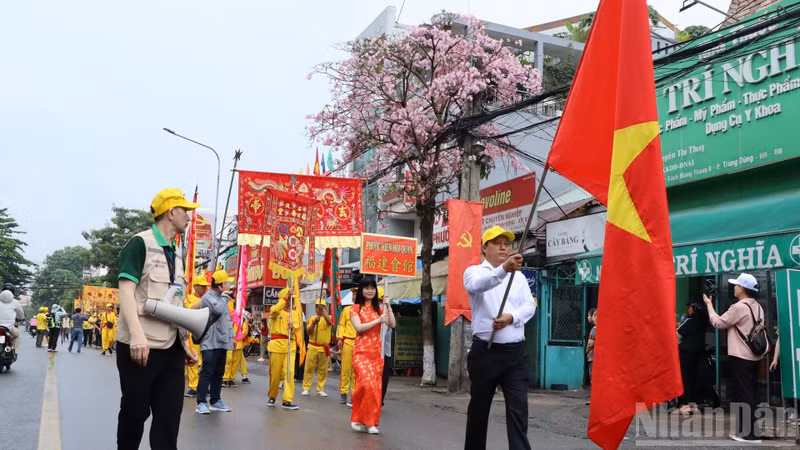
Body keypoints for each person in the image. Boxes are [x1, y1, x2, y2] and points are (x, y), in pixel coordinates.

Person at [115, 188, 200, 450]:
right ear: (171, 212)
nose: (189, 216)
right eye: (185, 211)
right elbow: (126, 291)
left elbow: (173, 303)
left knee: (168, 420)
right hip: (140, 347)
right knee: (135, 414)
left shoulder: (177, 254)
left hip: (172, 350)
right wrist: (137, 335)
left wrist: (184, 345)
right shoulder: (140, 243)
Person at [463, 226, 538, 450]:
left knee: (518, 411)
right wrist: (504, 269)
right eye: (497, 243)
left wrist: (511, 317)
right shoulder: (474, 272)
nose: (504, 247)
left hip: (515, 354)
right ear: (484, 247)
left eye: (506, 243)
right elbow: (478, 286)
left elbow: (530, 305)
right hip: (485, 352)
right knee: (479, 409)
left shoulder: (520, 278)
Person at [704, 273, 765, 444]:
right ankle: (751, 432)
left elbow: (718, 322)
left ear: (743, 289)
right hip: (755, 357)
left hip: (741, 357)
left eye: (737, 285)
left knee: (743, 395)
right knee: (750, 394)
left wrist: (709, 305)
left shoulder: (739, 307)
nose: (734, 287)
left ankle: (748, 435)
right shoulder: (758, 307)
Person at [350, 276, 396, 435]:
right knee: (365, 384)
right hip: (361, 352)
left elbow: (392, 324)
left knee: (375, 389)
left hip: (376, 353)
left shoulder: (381, 309)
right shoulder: (355, 308)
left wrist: (388, 306)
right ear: (361, 290)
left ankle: (371, 422)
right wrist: (377, 321)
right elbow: (359, 327)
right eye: (366, 288)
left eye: (372, 288)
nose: (370, 291)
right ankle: (356, 417)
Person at [192, 270, 234, 415]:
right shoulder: (208, 297)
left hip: (222, 341)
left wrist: (230, 339)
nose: (229, 285)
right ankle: (201, 402)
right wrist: (224, 297)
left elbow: (226, 320)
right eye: (227, 283)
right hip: (210, 341)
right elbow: (217, 311)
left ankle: (216, 400)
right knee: (207, 371)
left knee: (219, 373)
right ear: (221, 285)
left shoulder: (224, 297)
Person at [267, 287, 303, 410]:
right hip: (276, 345)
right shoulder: (275, 310)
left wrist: (293, 327)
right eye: (289, 298)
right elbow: (274, 310)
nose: (290, 301)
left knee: (290, 373)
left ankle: (287, 400)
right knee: (275, 374)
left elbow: (297, 329)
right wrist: (286, 296)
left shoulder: (295, 314)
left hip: (290, 345)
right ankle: (272, 395)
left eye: (292, 298)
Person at [674, 301, 709, 415]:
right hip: (699, 353)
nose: (688, 310)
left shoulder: (690, 321)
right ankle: (696, 403)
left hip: (686, 354)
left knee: (685, 378)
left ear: (694, 309)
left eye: (689, 308)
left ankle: (684, 404)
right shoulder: (703, 322)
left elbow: (678, 332)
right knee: (696, 378)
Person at [302, 298, 333, 397]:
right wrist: (314, 323)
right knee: (309, 368)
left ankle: (320, 388)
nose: (319, 308)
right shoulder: (311, 318)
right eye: (318, 306)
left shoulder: (329, 317)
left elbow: (329, 322)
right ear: (315, 308)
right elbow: (308, 332)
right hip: (312, 346)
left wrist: (323, 310)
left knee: (323, 370)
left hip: (323, 348)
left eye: (322, 306)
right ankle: (306, 388)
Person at [184, 276, 208, 397]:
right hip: (193, 333)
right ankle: (193, 387)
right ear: (196, 287)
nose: (205, 288)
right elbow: (190, 310)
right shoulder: (189, 298)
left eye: (206, 286)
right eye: (203, 286)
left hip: (206, 333)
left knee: (206, 361)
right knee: (193, 358)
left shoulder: (207, 298)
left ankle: (203, 386)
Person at [337, 290, 357, 405]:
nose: (355, 296)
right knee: (345, 368)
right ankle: (343, 393)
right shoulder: (346, 310)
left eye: (357, 294)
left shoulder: (364, 310)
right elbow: (341, 325)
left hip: (360, 343)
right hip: (348, 341)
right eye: (353, 294)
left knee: (356, 371)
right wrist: (340, 338)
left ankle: (354, 394)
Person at [223, 308, 250, 388]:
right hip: (229, 341)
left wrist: (238, 337)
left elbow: (245, 331)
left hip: (238, 343)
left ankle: (231, 379)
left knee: (235, 362)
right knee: (229, 360)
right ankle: (225, 378)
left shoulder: (243, 319)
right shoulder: (229, 316)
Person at [0, 284, 24, 354]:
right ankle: (14, 351)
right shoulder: (15, 302)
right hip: (9, 328)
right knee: (18, 336)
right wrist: (21, 318)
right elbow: (21, 314)